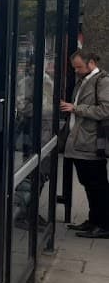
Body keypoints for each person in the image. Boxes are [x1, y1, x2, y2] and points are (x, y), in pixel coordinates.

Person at [61, 49, 109, 237]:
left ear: (91, 63)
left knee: (97, 185)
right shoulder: (84, 80)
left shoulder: (103, 81)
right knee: (89, 184)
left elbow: (106, 110)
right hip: (81, 142)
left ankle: (104, 225)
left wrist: (76, 108)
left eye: (79, 67)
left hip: (92, 144)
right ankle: (93, 221)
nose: (76, 71)